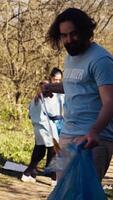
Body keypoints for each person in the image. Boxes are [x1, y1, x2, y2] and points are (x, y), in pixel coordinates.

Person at [41, 8, 113, 182]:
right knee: (62, 190)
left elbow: (110, 101)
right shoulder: (70, 57)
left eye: (73, 34)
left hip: (92, 140)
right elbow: (75, 85)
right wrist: (50, 87)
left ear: (86, 31)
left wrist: (94, 131)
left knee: (82, 194)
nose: (69, 40)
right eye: (64, 35)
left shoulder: (101, 60)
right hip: (67, 135)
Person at [21, 67, 64, 183]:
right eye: (55, 80)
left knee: (40, 150)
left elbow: (30, 112)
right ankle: (54, 178)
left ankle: (30, 174)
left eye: (60, 80)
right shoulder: (47, 93)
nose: (58, 82)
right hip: (46, 125)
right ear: (50, 78)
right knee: (53, 151)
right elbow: (53, 112)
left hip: (41, 125)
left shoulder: (40, 93)